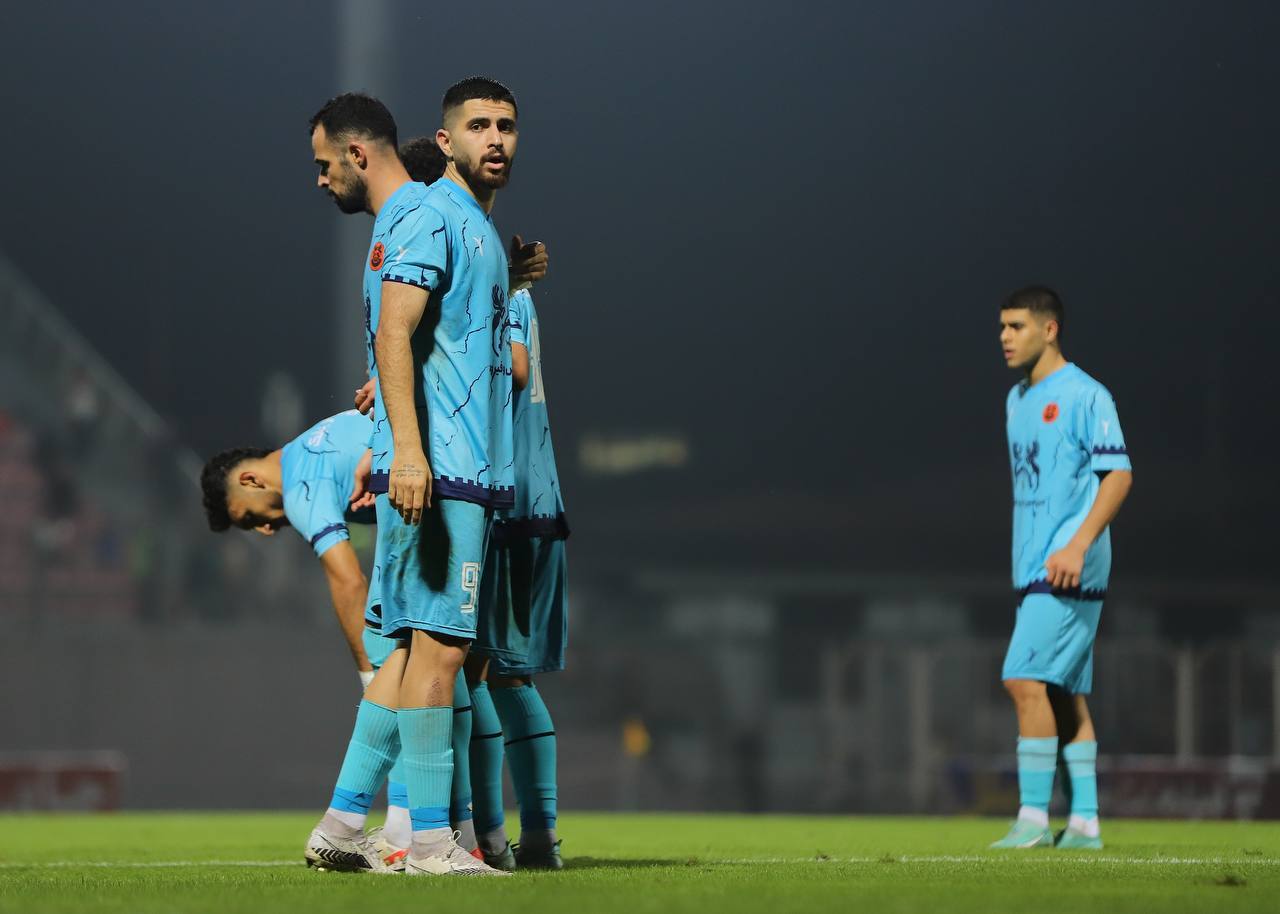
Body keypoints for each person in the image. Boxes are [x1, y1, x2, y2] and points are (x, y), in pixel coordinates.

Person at [304, 81, 544, 877]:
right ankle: (431, 840)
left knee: (413, 654)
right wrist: (405, 452)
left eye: (507, 126)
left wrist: (510, 278)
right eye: (479, 125)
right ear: (444, 140)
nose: (496, 139)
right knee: (442, 655)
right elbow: (395, 332)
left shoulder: (460, 222)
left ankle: (346, 824)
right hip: (442, 473)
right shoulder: (428, 214)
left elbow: (437, 336)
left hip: (453, 469)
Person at [991, 286, 1132, 850]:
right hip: (1032, 565)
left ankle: (1031, 819)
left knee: (1022, 678)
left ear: (1049, 330)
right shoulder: (1016, 400)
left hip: (1070, 564)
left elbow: (1118, 475)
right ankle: (1085, 823)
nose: (1004, 337)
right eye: (1002, 326)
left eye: (1017, 326)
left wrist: (1077, 545)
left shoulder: (1086, 395)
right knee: (1062, 693)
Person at [467, 285, 571, 871]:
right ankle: (538, 837)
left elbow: (516, 366)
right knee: (508, 676)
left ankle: (489, 839)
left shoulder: (496, 289)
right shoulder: (513, 289)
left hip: (507, 506)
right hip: (537, 501)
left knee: (468, 670)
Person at [199, 410, 376, 683]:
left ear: (251, 480)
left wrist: (370, 679)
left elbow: (349, 583)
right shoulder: (312, 441)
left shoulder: (300, 489)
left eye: (251, 518)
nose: (266, 530)